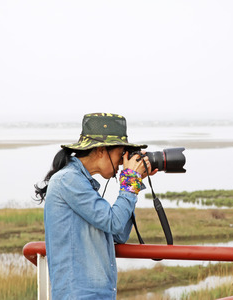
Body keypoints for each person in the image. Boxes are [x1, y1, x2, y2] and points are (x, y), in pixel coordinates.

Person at [34, 113, 157, 299]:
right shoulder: (68, 180)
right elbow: (113, 223)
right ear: (101, 150)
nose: (122, 160)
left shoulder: (82, 182)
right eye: (120, 153)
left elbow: (118, 234)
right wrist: (130, 181)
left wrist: (134, 183)